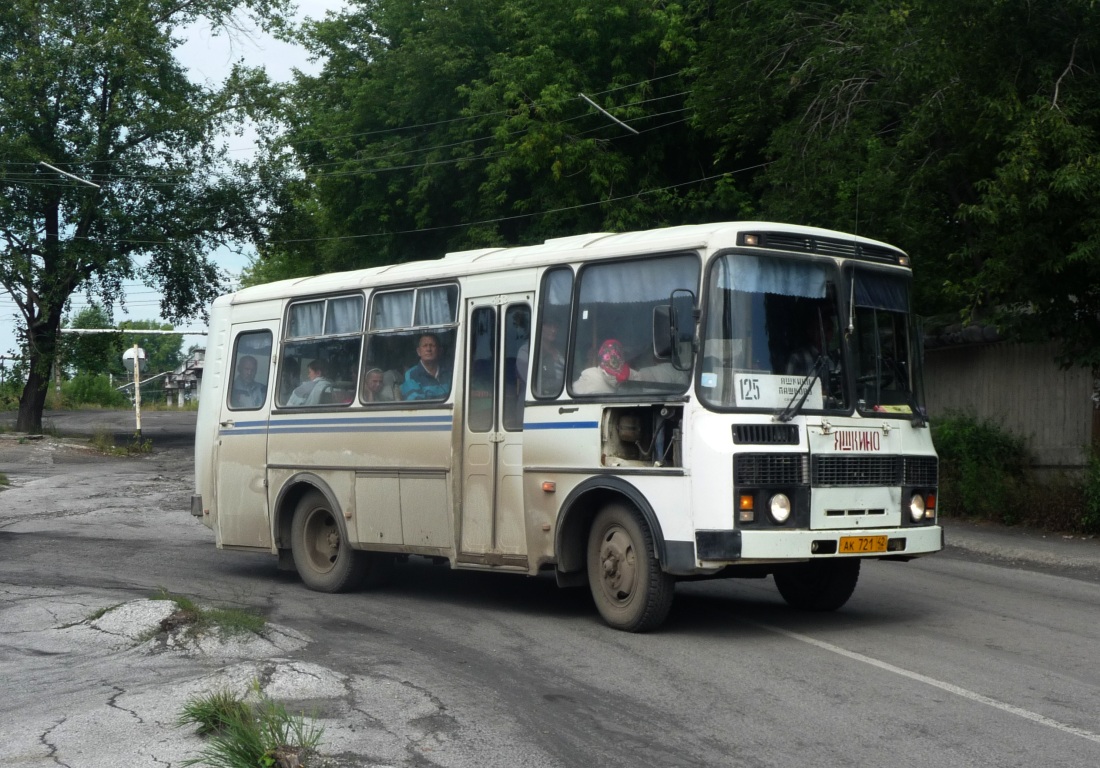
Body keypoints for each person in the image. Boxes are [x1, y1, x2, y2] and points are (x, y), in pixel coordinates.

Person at [516, 320, 565, 398]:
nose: (553, 330)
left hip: (562, 396)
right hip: (540, 399)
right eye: (549, 326)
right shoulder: (526, 351)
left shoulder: (561, 350)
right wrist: (563, 384)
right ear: (539, 327)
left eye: (555, 327)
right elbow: (531, 382)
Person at [401, 333, 451, 401]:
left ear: (440, 351)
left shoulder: (449, 373)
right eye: (425, 346)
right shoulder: (411, 375)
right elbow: (417, 403)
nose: (428, 349)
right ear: (419, 352)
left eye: (432, 345)